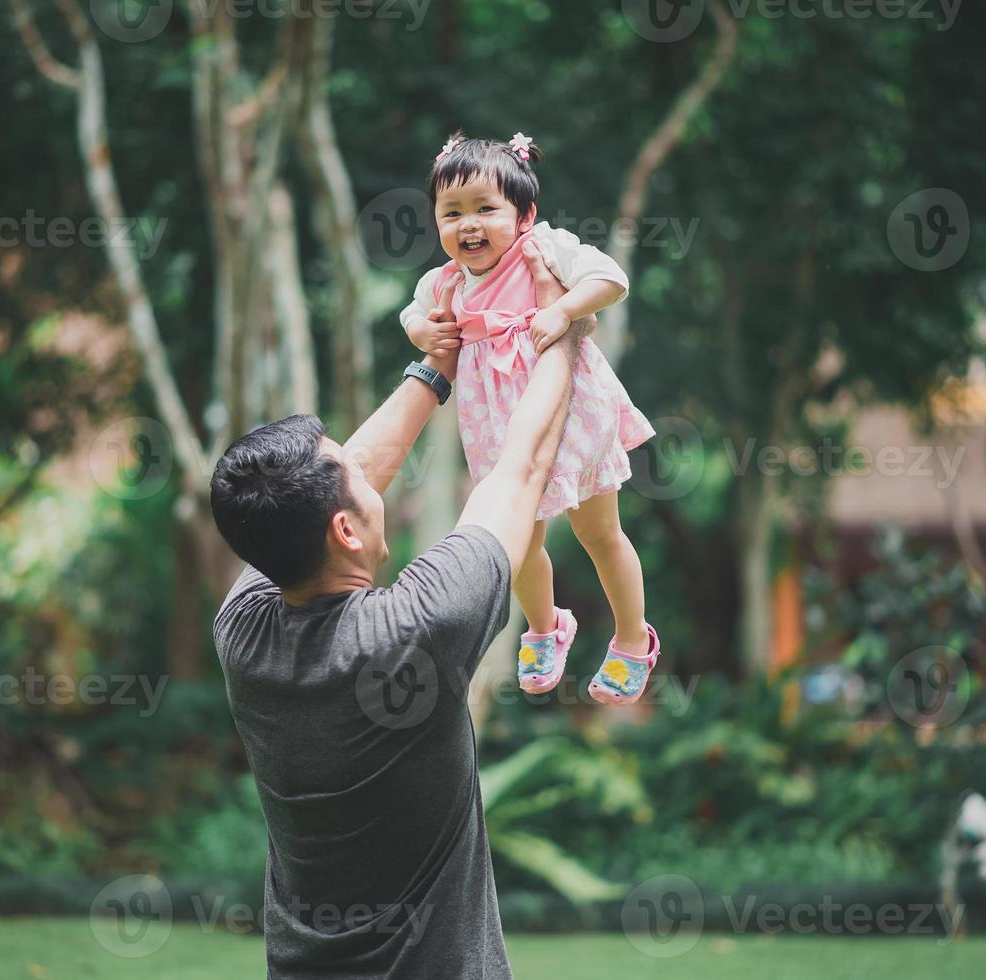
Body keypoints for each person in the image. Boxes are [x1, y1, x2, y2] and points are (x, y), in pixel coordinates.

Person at [209, 247, 589, 978]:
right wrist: (558, 327)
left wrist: (435, 369)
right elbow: (521, 469)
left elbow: (323, 498)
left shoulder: (243, 628)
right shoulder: (415, 626)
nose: (366, 468)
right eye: (351, 471)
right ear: (347, 531)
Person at [400, 131, 661, 705]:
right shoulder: (443, 282)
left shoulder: (542, 249)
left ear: (524, 215)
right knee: (518, 541)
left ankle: (632, 639)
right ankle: (546, 627)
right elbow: (412, 314)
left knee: (600, 532)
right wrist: (424, 330)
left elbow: (611, 279)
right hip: (499, 429)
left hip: (573, 415)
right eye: (452, 213)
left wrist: (564, 308)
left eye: (485, 209)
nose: (468, 225)